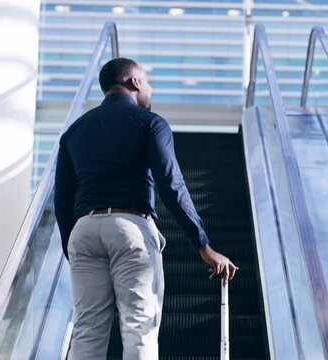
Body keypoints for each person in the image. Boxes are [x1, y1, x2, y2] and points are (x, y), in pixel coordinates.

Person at [54, 58, 238, 360]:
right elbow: (170, 183)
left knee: (87, 330)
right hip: (131, 229)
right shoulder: (150, 123)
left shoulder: (75, 131)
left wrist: (70, 249)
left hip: (83, 232)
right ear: (134, 82)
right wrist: (203, 245)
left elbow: (62, 200)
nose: (150, 89)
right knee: (140, 325)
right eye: (148, 82)